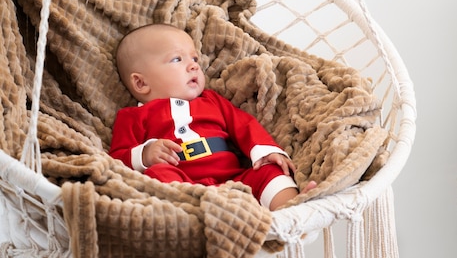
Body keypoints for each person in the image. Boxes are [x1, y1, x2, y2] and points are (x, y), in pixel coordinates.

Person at [109, 23, 315, 210]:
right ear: (141, 83)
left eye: (194, 59)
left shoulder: (212, 101)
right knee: (157, 176)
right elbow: (117, 159)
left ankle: (290, 211)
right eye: (177, 59)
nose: (194, 66)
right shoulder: (133, 116)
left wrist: (264, 151)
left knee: (270, 171)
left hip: (233, 180)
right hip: (183, 183)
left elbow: (244, 125)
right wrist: (144, 155)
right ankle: (197, 221)